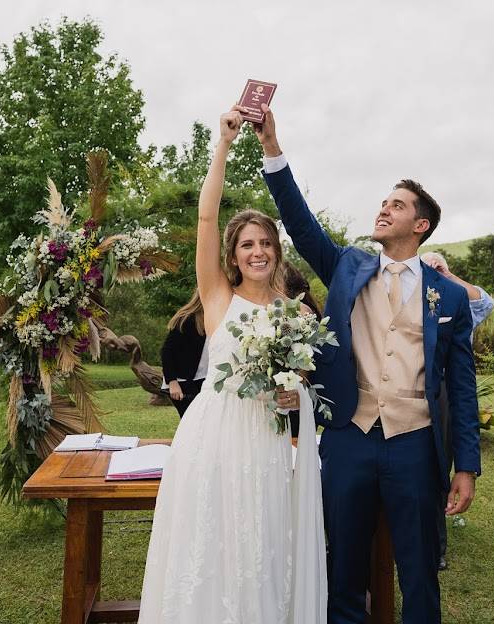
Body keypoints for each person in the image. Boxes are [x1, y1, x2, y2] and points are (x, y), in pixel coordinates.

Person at [256, 103, 479, 624]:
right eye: (383, 201)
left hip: (416, 445)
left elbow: (462, 388)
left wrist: (466, 466)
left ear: (420, 225)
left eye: (397, 205)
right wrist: (271, 146)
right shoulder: (347, 266)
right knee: (344, 566)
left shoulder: (448, 296)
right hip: (349, 438)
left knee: (420, 571)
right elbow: (299, 221)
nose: (384, 209)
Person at [137, 108, 327, 623]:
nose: (258, 251)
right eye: (248, 244)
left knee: (261, 546)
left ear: (278, 251)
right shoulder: (218, 297)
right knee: (211, 542)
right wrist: (223, 144)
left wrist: (297, 394)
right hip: (214, 436)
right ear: (234, 254)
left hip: (266, 441)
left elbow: (302, 378)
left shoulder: (295, 310)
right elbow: (205, 217)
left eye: (266, 243)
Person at [422, 252, 493, 572]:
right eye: (428, 266)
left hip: (446, 392)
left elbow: (485, 303)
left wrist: (447, 275)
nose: (433, 271)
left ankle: (436, 546)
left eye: (438, 265)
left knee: (439, 465)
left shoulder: (454, 297)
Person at [283, 262, 323, 437]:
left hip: (292, 403)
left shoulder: (299, 313)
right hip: (298, 403)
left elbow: (303, 374)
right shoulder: (312, 310)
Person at [159, 289, 209, 417]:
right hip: (181, 380)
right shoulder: (187, 319)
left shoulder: (217, 317)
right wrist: (172, 382)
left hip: (203, 379)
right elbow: (167, 351)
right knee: (193, 422)